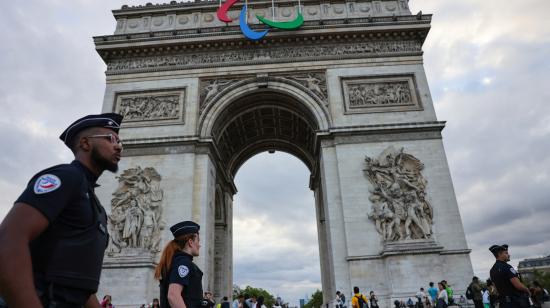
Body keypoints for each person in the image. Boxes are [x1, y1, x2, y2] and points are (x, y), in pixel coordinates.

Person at [0, 113, 123, 307]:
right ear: (85, 143)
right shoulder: (65, 178)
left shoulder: (94, 204)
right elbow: (8, 239)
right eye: (110, 139)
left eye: (119, 140)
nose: (118, 146)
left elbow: (79, 287)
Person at [155, 221, 203, 308]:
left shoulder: (177, 261)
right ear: (190, 242)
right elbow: (173, 295)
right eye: (198, 240)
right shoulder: (183, 263)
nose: (200, 245)